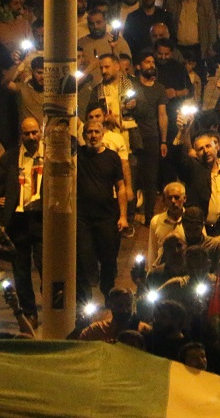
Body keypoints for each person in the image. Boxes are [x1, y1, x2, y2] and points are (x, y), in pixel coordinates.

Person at [0, 117, 44, 322]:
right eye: (27, 133)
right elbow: (0, 186)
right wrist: (1, 203)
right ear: (21, 135)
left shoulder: (50, 155)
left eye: (34, 132)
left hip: (41, 218)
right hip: (19, 219)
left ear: (40, 132)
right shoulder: (10, 157)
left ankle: (52, 307)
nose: (31, 137)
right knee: (21, 270)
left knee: (45, 265)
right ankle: (29, 312)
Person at [76, 119, 129, 304]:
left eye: (96, 132)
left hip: (107, 217)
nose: (93, 136)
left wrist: (123, 216)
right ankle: (85, 298)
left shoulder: (112, 157)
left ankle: (108, 293)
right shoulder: (78, 155)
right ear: (83, 136)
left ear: (102, 134)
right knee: (83, 257)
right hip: (83, 218)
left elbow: (120, 187)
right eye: (89, 132)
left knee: (108, 259)